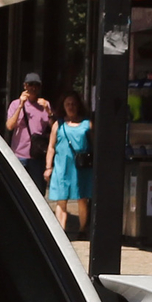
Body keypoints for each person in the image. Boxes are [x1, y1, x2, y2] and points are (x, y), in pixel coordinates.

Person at [44, 92, 93, 239]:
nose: (70, 107)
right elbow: (51, 146)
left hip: (81, 167)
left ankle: (82, 229)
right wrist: (48, 167)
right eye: (67, 104)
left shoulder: (87, 124)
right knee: (61, 199)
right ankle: (61, 232)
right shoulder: (57, 125)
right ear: (63, 107)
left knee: (82, 199)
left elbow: (94, 145)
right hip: (62, 166)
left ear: (78, 105)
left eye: (73, 104)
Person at [3, 74, 54, 190]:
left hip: (37, 155)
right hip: (20, 155)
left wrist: (48, 110)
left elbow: (54, 128)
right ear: (25, 86)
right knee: (18, 189)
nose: (33, 88)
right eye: (30, 84)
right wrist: (21, 106)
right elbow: (9, 126)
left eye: (36, 85)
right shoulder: (15, 104)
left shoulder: (44, 104)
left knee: (38, 190)